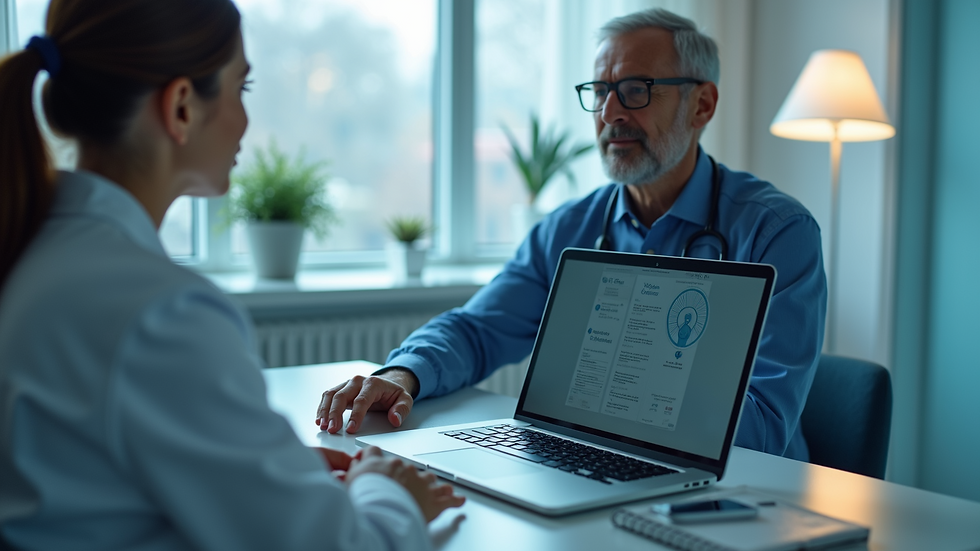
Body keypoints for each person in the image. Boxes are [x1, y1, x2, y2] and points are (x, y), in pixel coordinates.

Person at [0, 1, 463, 549]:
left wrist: (265, 473)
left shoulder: (31, 250)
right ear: (180, 108)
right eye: (241, 89)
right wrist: (388, 492)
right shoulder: (161, 312)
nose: (247, 119)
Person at [315, 7, 827, 462]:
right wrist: (401, 375)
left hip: (740, 494)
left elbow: (763, 426)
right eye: (600, 92)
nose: (609, 114)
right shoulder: (568, 228)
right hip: (591, 463)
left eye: (635, 90)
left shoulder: (778, 234)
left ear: (702, 106)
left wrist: (617, 400)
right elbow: (477, 329)